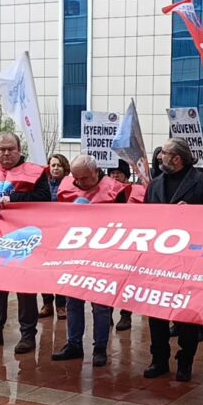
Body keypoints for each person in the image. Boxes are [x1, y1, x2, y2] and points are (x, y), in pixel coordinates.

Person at [143, 137, 203, 382]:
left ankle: (185, 361)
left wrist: (193, 214)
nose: (159, 156)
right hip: (159, 259)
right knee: (155, 310)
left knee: (188, 313)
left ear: (177, 158)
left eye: (164, 153)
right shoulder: (155, 184)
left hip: (190, 259)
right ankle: (159, 359)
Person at [0, 132, 51, 354]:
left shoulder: (35, 172)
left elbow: (44, 199)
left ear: (19, 149)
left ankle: (28, 334)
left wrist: (14, 200)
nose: (6, 153)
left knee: (25, 288)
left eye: (10, 149)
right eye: (2, 149)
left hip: (25, 238)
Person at [51, 155, 130, 366]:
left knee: (101, 306)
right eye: (76, 178)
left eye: (84, 178)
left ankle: (100, 348)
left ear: (96, 172)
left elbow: (125, 223)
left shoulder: (115, 190)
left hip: (104, 255)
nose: (79, 183)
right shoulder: (67, 187)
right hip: (75, 253)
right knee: (73, 302)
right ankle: (74, 344)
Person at [36, 154, 71, 320]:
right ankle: (47, 303)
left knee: (60, 270)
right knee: (45, 271)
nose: (55, 168)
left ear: (65, 168)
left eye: (59, 165)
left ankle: (61, 305)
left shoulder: (70, 185)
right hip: (45, 232)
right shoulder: (43, 185)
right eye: (53, 165)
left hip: (63, 233)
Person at [107, 159, 134, 331]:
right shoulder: (104, 192)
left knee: (127, 280)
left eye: (119, 173)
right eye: (112, 173)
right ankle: (107, 312)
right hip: (110, 240)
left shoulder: (132, 192)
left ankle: (126, 315)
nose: (115, 176)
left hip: (128, 240)